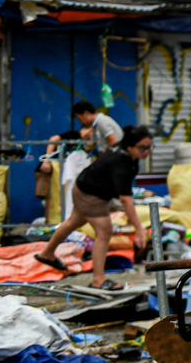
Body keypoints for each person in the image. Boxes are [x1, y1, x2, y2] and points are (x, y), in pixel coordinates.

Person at [35, 125, 152, 284]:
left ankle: (46, 253)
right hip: (91, 195)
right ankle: (98, 279)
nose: (147, 151)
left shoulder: (126, 152)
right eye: (142, 148)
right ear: (130, 146)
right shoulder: (121, 163)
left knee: (73, 221)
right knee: (104, 232)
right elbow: (126, 199)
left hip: (85, 187)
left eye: (149, 147)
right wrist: (139, 228)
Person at [37, 101, 124, 199]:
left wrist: (102, 160)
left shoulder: (102, 122)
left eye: (79, 118)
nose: (80, 122)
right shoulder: (93, 126)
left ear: (86, 113)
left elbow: (113, 142)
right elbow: (54, 139)